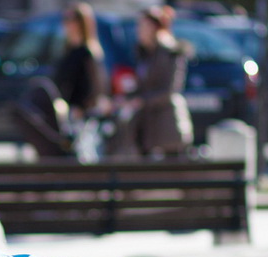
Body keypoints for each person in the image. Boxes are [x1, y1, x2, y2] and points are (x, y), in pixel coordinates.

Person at [14, 3, 106, 159]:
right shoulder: (67, 50)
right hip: (62, 108)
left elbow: (94, 86)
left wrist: (82, 107)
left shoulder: (88, 53)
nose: (67, 25)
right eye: (66, 20)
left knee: (79, 152)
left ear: (81, 24)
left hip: (78, 112)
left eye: (71, 20)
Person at [109, 5, 193, 158]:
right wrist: (125, 99)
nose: (139, 31)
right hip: (148, 127)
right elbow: (142, 87)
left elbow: (170, 91)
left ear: (156, 28)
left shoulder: (169, 52)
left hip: (166, 126)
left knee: (169, 174)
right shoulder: (145, 53)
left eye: (144, 26)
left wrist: (140, 101)